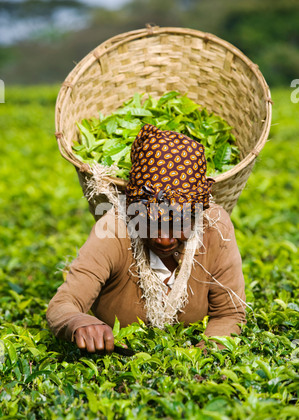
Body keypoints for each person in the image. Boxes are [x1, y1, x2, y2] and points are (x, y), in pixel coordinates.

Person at [46, 124, 246, 353]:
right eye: (150, 223)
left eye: (178, 224)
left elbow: (230, 313)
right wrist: (80, 323)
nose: (163, 239)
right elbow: (62, 305)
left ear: (197, 214)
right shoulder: (114, 230)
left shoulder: (215, 228)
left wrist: (202, 357)